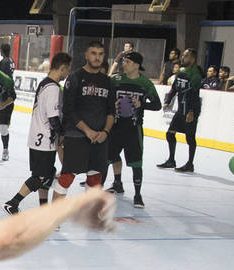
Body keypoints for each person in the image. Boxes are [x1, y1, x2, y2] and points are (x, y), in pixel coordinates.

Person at [3, 51, 71, 213]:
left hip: (40, 137)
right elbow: (53, 118)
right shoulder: (53, 88)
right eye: (68, 70)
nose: (68, 74)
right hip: (45, 139)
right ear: (62, 68)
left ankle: (43, 208)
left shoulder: (44, 84)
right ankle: (13, 203)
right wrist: (62, 135)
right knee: (41, 176)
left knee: (48, 173)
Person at [55, 41, 114, 198]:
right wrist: (87, 130)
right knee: (67, 177)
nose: (97, 57)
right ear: (86, 55)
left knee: (95, 178)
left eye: (100, 54)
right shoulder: (75, 77)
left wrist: (105, 132)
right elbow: (69, 110)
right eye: (93, 53)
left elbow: (111, 112)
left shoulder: (108, 81)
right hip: (77, 136)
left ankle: (88, 216)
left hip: (99, 139)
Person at [105, 51, 160, 208]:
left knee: (136, 163)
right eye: (124, 61)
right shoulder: (115, 80)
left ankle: (137, 195)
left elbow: (157, 105)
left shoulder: (145, 83)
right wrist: (111, 105)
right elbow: (105, 99)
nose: (124, 64)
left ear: (136, 65)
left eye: (128, 62)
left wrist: (141, 105)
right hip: (115, 128)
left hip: (133, 129)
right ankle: (103, 189)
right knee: (106, 160)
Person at [157, 47, 201, 173]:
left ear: (192, 58)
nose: (182, 57)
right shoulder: (181, 71)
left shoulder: (195, 73)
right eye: (183, 55)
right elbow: (174, 88)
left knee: (190, 138)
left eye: (186, 56)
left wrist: (192, 111)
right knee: (170, 133)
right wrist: (168, 100)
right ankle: (171, 160)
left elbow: (194, 94)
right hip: (180, 109)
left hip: (190, 111)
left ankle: (190, 164)